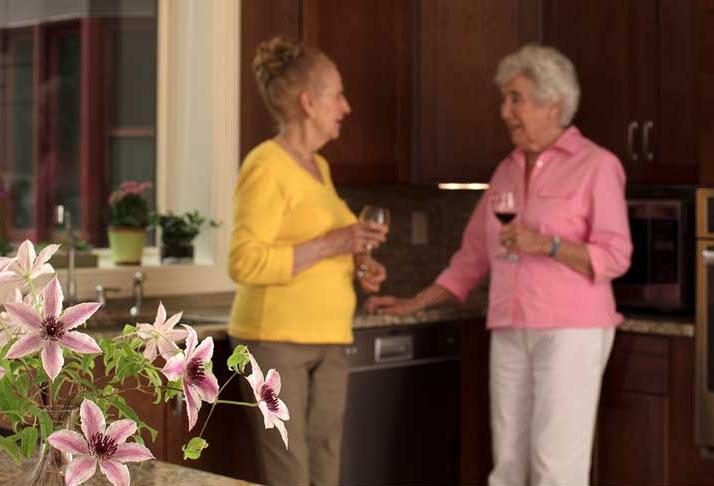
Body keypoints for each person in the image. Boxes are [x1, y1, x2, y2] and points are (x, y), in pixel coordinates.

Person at [366, 43, 632, 486]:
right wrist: (416, 302)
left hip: (571, 331)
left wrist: (546, 244)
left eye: (516, 98)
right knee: (507, 464)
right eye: (504, 99)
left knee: (555, 466)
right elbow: (472, 257)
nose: (505, 111)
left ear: (554, 104)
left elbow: (615, 255)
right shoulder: (506, 171)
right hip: (510, 327)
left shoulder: (597, 166)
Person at [228, 37, 388, 486]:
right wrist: (334, 241)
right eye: (337, 94)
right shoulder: (265, 166)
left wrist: (358, 262)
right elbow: (244, 261)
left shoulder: (320, 167)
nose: (347, 106)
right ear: (308, 101)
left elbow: (319, 247)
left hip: (329, 339)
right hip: (276, 339)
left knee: (326, 467)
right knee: (291, 474)